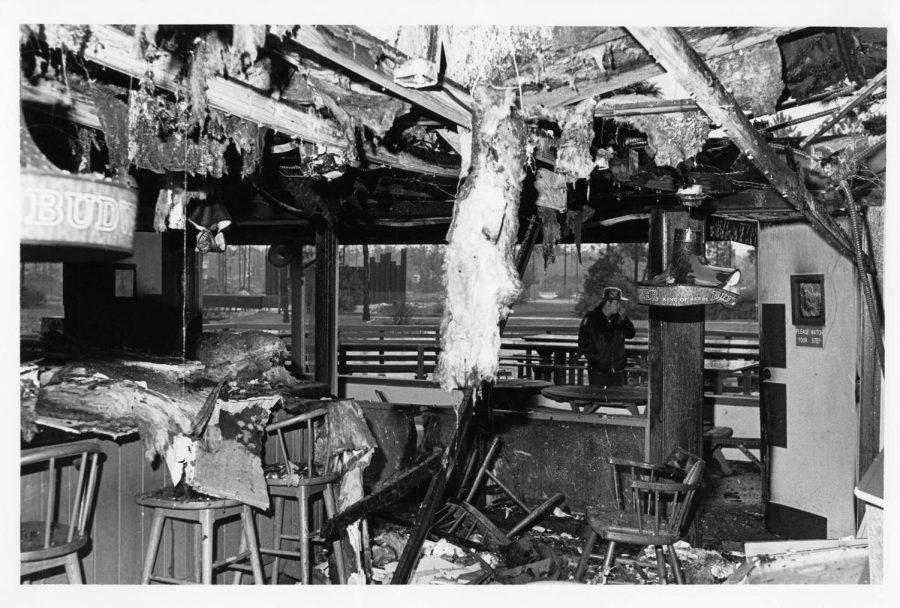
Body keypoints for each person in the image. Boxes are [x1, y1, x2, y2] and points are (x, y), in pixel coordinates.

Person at [578, 286, 636, 386]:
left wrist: (624, 318)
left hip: (618, 371)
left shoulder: (619, 319)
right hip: (598, 372)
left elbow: (631, 334)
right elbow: (583, 343)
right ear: (608, 302)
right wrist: (596, 359)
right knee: (598, 399)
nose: (619, 306)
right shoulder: (591, 319)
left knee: (617, 400)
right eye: (617, 303)